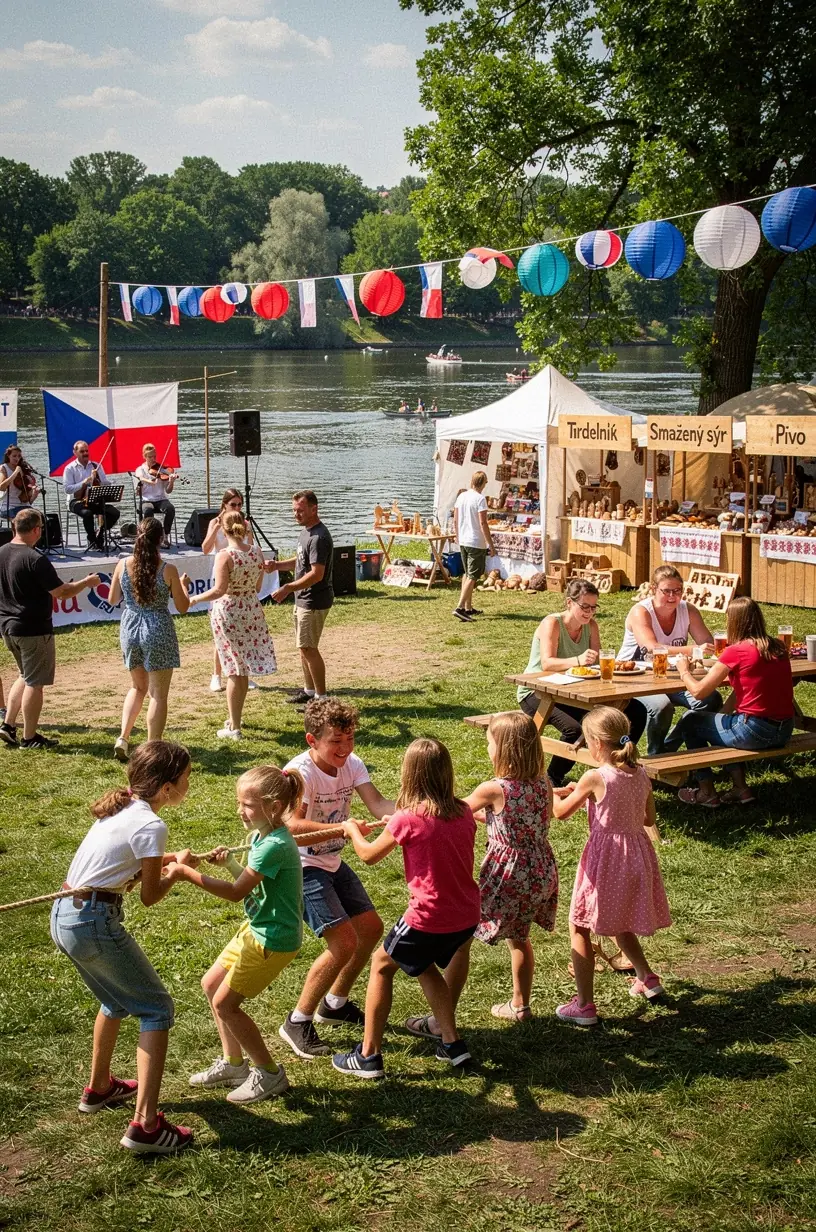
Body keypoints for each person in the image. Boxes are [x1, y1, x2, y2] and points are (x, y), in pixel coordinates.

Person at [50, 740, 196, 1154]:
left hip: (65, 917)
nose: (189, 783)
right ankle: (146, 1126)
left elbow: (122, 861)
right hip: (94, 922)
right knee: (156, 1009)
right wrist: (180, 871)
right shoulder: (151, 824)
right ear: (167, 788)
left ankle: (99, 1088)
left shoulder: (123, 808)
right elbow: (150, 894)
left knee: (115, 1001)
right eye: (186, 777)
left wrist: (170, 859)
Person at [333, 737, 480, 1078]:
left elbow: (368, 856)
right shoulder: (463, 811)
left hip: (429, 916)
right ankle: (452, 1044)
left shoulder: (407, 819)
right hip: (466, 914)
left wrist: (352, 830)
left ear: (409, 775)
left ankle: (368, 1055)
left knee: (382, 964)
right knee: (422, 963)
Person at [171, 765, 305, 1105]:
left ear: (273, 807)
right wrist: (231, 864)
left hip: (271, 939)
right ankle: (233, 1064)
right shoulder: (261, 837)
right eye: (239, 802)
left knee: (226, 1005)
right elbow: (253, 888)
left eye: (246, 804)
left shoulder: (274, 845)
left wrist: (187, 874)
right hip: (255, 929)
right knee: (211, 984)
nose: (239, 810)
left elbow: (234, 893)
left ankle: (269, 1073)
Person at [278, 698, 393, 1060]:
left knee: (371, 928)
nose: (345, 749)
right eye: (335, 742)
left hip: (329, 860)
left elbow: (378, 805)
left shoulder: (352, 764)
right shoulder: (300, 774)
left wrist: (412, 811)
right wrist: (341, 828)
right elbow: (291, 827)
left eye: (350, 739)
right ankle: (297, 1020)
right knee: (342, 942)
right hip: (299, 865)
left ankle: (335, 1003)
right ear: (312, 740)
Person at [551, 707, 671, 1025]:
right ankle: (647, 977)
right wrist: (587, 795)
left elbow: (560, 813)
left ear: (597, 744)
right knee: (619, 922)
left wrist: (549, 794)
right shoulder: (640, 772)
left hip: (607, 860)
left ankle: (585, 1005)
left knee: (579, 925)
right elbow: (648, 819)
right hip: (637, 855)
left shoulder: (595, 777)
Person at [463, 712, 558, 1022]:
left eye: (490, 742)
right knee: (520, 936)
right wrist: (491, 819)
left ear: (503, 749)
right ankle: (520, 1006)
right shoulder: (544, 780)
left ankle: (442, 998)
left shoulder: (494, 789)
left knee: (463, 927)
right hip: (540, 869)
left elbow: (452, 810)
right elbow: (534, 817)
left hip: (509, 873)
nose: (487, 748)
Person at [665, 596, 795, 808]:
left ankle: (706, 791)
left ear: (734, 622)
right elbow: (748, 687)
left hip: (755, 732)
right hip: (784, 730)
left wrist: (683, 670)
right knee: (723, 722)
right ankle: (740, 789)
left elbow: (698, 692)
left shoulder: (736, 651)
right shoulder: (778, 647)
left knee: (691, 720)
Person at [517, 579, 647, 785]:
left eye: (593, 607)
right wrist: (577, 660)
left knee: (636, 711)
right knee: (577, 729)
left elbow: (596, 662)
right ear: (570, 603)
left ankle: (619, 766)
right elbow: (547, 663)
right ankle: (553, 777)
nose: (589, 612)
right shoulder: (552, 623)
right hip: (536, 692)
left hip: (573, 691)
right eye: (584, 606)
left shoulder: (591, 626)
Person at [0, 508, 100, 750]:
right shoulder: (35, 559)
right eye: (41, 529)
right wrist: (87, 583)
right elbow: (62, 592)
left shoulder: (2, 552)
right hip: (32, 629)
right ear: (35, 530)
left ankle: (8, 725)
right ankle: (29, 736)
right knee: (35, 682)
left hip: (8, 626)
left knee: (25, 675)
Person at [107, 518, 191, 761]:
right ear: (161, 539)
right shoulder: (168, 569)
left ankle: (123, 737)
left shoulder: (122, 564)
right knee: (158, 694)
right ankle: (153, 749)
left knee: (137, 687)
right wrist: (184, 586)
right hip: (157, 628)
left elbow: (113, 599)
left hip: (130, 626)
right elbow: (183, 606)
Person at [188, 509, 276, 741]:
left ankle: (234, 727)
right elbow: (258, 588)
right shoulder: (256, 552)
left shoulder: (224, 555)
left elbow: (219, 590)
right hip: (251, 609)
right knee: (242, 668)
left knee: (234, 669)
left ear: (223, 529)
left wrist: (195, 598)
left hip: (229, 611)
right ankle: (235, 716)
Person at [618, 565, 721, 754]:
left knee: (710, 698)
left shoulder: (687, 610)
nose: (672, 596)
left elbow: (707, 642)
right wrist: (694, 649)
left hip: (672, 674)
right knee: (661, 706)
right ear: (653, 589)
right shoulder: (640, 612)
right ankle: (656, 754)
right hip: (636, 677)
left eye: (677, 591)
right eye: (666, 591)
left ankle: (669, 748)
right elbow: (652, 647)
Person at [272, 490, 334, 706]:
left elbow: (316, 574)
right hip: (303, 599)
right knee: (303, 647)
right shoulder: (306, 532)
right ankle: (309, 691)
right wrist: (278, 566)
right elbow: (301, 562)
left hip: (314, 600)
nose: (295, 514)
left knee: (309, 648)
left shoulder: (319, 537)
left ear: (313, 509)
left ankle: (321, 698)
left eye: (300, 510)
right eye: (294, 510)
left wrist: (288, 587)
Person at [202, 489, 255, 694]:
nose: (237, 508)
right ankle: (216, 675)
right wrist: (215, 531)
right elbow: (206, 549)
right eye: (233, 505)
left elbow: (249, 549)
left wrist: (248, 533)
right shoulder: (215, 522)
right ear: (224, 505)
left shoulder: (243, 524)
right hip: (221, 578)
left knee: (242, 630)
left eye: (240, 505)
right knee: (220, 631)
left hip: (239, 579)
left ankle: (244, 673)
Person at [452, 470, 496, 622]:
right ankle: (459, 607)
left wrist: (458, 536)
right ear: (483, 483)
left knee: (467, 573)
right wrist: (490, 544)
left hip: (464, 540)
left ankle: (468, 607)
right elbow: (483, 523)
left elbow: (455, 520)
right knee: (473, 575)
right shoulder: (480, 499)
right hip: (476, 541)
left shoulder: (462, 496)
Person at [63, 440, 120, 551]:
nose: (85, 453)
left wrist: (106, 480)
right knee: (87, 513)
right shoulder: (70, 468)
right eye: (82, 451)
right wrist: (83, 482)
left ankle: (100, 534)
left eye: (86, 451)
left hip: (93, 500)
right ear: (75, 452)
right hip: (76, 501)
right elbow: (67, 489)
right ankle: (92, 539)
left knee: (114, 512)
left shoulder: (96, 466)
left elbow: (104, 482)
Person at [134, 443, 177, 544]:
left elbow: (168, 491)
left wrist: (171, 482)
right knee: (148, 510)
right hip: (146, 500)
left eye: (154, 456)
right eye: (150, 457)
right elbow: (140, 478)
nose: (153, 459)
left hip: (161, 499)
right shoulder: (140, 470)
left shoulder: (162, 469)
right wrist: (150, 481)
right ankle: (150, 536)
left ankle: (165, 535)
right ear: (144, 456)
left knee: (170, 509)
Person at [0, 445, 39, 516]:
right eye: (14, 456)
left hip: (25, 506)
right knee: (24, 518)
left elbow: (29, 502)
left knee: (40, 517)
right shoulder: (4, 468)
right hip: (9, 507)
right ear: (8, 456)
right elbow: (1, 487)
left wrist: (34, 494)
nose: (17, 458)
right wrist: (15, 472)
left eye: (19, 456)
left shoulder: (24, 468)